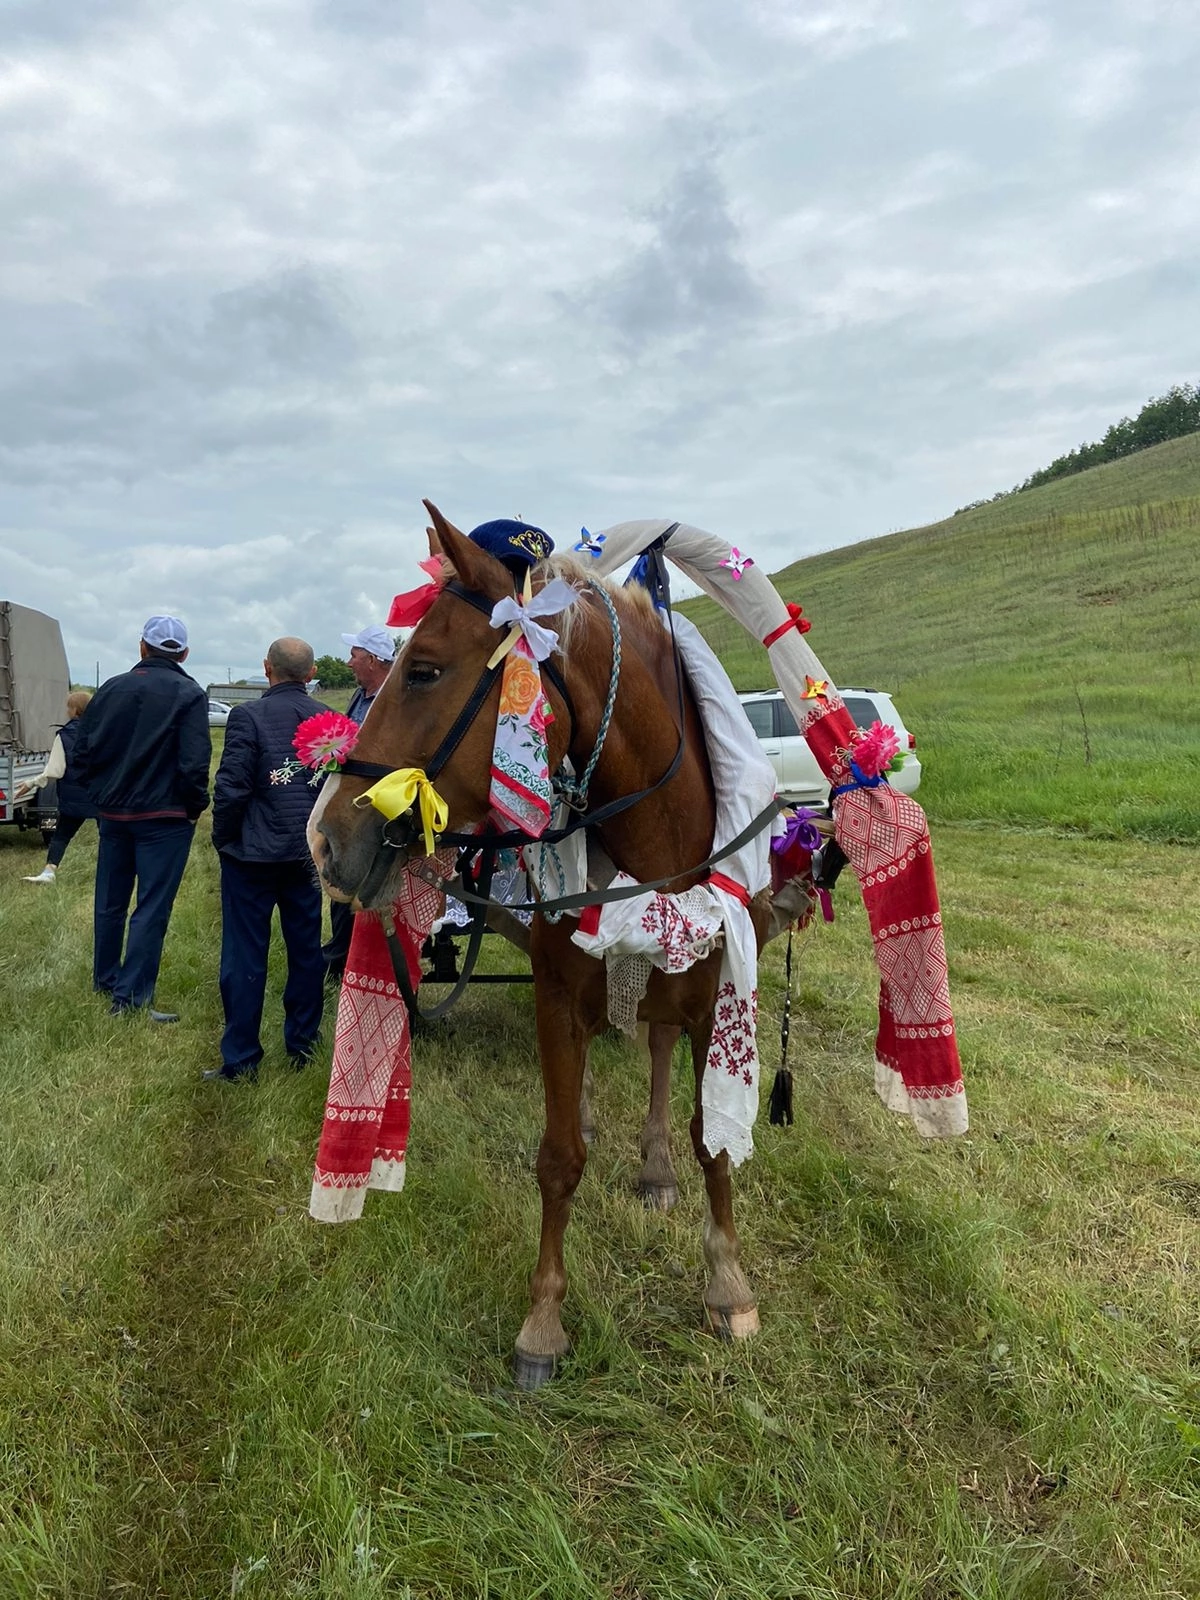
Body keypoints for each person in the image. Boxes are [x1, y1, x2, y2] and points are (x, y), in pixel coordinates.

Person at [73, 615, 211, 1022]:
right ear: (183, 653)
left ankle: (106, 979)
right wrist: (193, 807)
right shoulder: (188, 693)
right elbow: (193, 762)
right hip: (165, 817)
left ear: (141, 647)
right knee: (151, 907)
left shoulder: (111, 688)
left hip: (114, 813)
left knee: (110, 900)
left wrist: (98, 796)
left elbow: (82, 753)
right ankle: (131, 997)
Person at [207, 637, 332, 1081]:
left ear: (267, 669)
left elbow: (232, 787)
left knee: (245, 955)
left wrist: (224, 838)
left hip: (253, 856)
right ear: (312, 673)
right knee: (305, 951)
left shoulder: (248, 716)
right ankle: (302, 1043)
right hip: (306, 854)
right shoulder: (330, 722)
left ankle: (241, 1058)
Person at [321, 623, 396, 983]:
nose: (349, 662)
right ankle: (339, 956)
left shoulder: (391, 698)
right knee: (340, 873)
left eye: (354, 655)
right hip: (351, 802)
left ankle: (352, 961)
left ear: (374, 660)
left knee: (361, 881)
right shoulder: (360, 695)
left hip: (376, 806)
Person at [16, 690, 97, 882]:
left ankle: (49, 872)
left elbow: (55, 770)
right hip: (100, 795)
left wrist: (31, 783)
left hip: (73, 796)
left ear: (75, 710)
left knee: (61, 836)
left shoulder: (64, 735)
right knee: (112, 838)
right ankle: (116, 873)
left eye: (68, 707)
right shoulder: (102, 731)